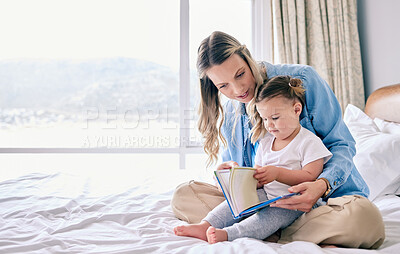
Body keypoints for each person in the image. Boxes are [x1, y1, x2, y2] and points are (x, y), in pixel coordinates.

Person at [171, 31, 384, 248]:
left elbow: (341, 144)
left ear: (247, 57)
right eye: (223, 86)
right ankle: (268, 229)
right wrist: (227, 175)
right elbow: (245, 181)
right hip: (263, 202)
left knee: (364, 218)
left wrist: (321, 185)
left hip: (322, 202)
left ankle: (264, 230)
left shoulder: (302, 80)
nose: (237, 90)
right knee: (183, 195)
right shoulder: (232, 114)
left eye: (240, 74)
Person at [174, 76, 333, 243]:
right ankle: (206, 224)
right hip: (266, 195)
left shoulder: (309, 141)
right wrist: (241, 179)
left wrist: (277, 173)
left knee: (268, 218)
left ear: (296, 110)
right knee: (234, 204)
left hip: (293, 203)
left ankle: (229, 234)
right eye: (265, 119)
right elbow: (257, 178)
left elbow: (310, 176)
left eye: (275, 118)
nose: (269, 125)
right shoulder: (265, 144)